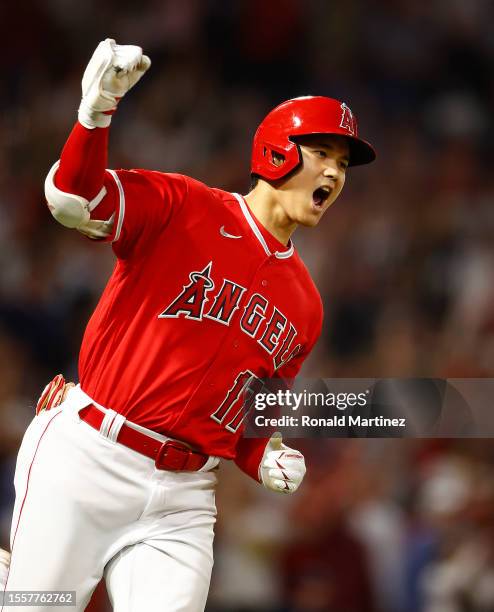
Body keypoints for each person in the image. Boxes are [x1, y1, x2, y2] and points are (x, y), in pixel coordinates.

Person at [1, 39, 375, 611]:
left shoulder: (306, 304)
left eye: (343, 163)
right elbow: (74, 200)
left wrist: (260, 454)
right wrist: (94, 114)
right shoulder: (185, 206)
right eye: (323, 151)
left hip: (185, 494)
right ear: (278, 151)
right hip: (90, 456)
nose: (335, 172)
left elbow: (250, 413)